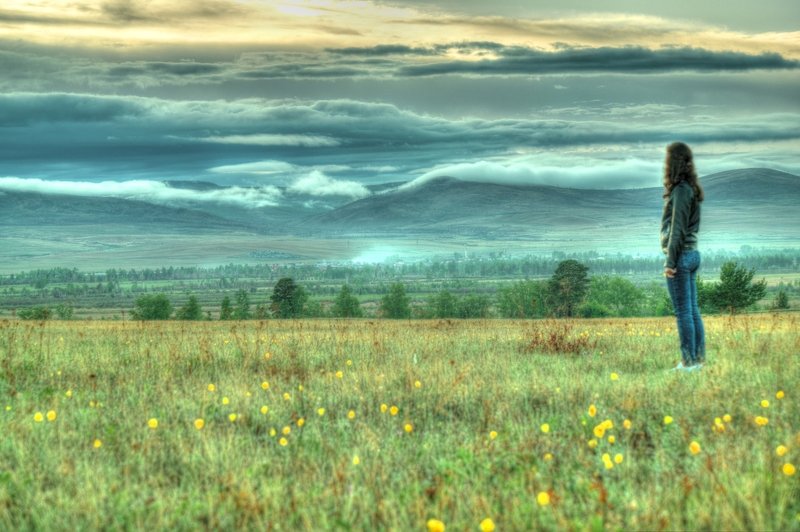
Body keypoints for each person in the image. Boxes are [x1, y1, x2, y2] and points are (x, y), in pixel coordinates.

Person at [660, 142, 705, 371]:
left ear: (673, 163)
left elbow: (677, 229)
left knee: (684, 313)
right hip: (693, 254)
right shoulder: (691, 189)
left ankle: (688, 363)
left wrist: (670, 262)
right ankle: (697, 361)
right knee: (692, 310)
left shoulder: (680, 190)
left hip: (681, 256)